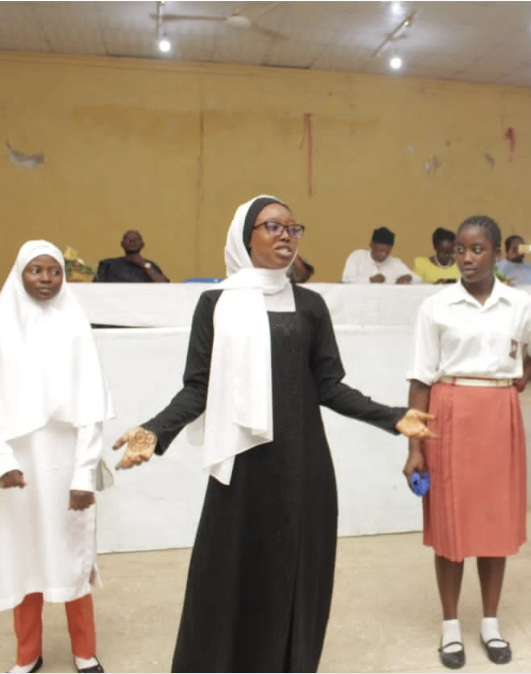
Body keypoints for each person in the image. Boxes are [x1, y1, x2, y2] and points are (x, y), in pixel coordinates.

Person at [112, 195, 436, 673]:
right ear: (246, 238)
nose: (287, 235)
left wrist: (393, 416)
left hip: (304, 468)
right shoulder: (216, 304)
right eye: (273, 226)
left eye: (293, 227)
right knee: (230, 578)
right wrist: (155, 432)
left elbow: (329, 385)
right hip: (242, 470)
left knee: (297, 579)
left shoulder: (310, 306)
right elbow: (197, 388)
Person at [404, 215, 531, 669]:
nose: (466, 259)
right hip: (447, 412)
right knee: (450, 527)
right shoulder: (436, 306)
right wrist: (413, 446)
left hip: (498, 412)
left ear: (496, 253)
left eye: (476, 250)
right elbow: (419, 379)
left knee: (495, 525)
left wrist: (520, 380)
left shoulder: (520, 305)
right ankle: (450, 626)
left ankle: (490, 623)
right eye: (460, 251)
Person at [0, 241, 114, 674]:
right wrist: (2, 461)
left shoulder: (75, 326)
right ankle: (27, 654)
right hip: (18, 468)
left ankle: (85, 651)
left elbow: (91, 407)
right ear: (19, 274)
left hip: (66, 464)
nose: (46, 279)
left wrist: (83, 474)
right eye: (36, 271)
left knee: (71, 557)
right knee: (23, 560)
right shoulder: (2, 325)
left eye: (54, 271)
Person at [341, 227, 420, 284]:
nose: (383, 255)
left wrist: (408, 278)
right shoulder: (357, 257)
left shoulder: (395, 262)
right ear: (371, 245)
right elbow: (346, 280)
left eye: (387, 252)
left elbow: (418, 280)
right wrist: (370, 280)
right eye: (380, 251)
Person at [93, 230, 169, 283]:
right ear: (122, 244)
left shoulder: (151, 266)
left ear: (142, 245)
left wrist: (143, 264)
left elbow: (164, 286)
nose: (132, 241)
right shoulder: (108, 265)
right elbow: (96, 288)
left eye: (136, 239)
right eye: (128, 239)